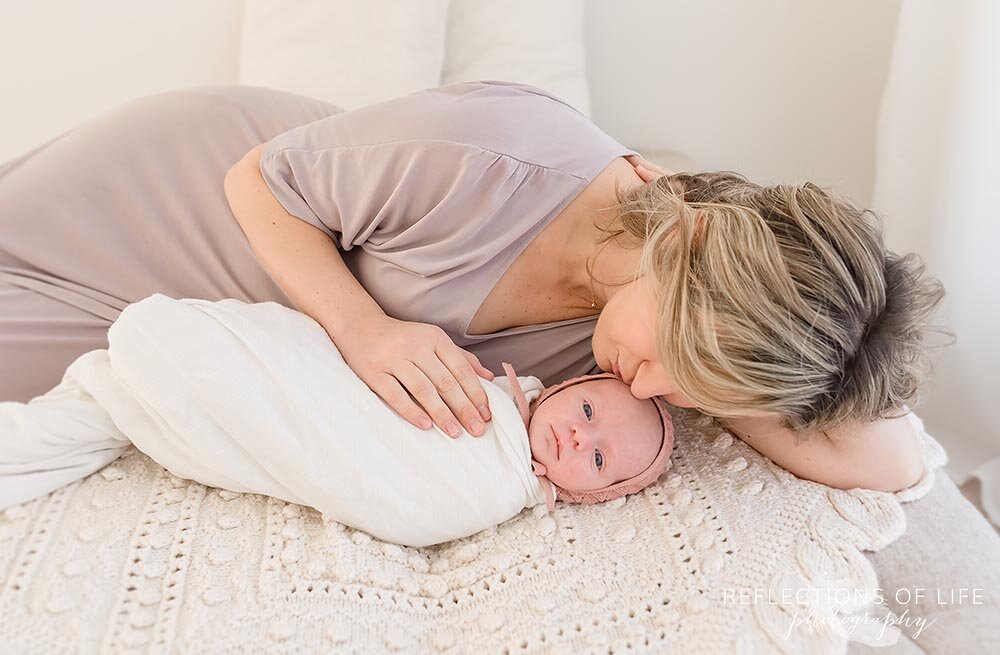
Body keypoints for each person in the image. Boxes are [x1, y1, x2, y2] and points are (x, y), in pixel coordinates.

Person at [0, 80, 944, 494]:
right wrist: (366, 332)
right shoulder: (504, 150)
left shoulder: (665, 340)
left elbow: (891, 460)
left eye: (694, 386)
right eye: (677, 360)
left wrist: (779, 357)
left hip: (206, 324)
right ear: (689, 241)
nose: (651, 392)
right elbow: (259, 179)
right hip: (155, 208)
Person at [0, 294, 673, 547]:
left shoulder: (494, 486)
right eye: (588, 411)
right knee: (115, 394)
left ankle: (158, 377)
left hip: (290, 429)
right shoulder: (489, 385)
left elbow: (379, 478)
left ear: (586, 494)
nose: (581, 436)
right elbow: (335, 380)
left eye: (596, 460)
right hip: (314, 368)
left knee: (110, 395)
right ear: (569, 386)